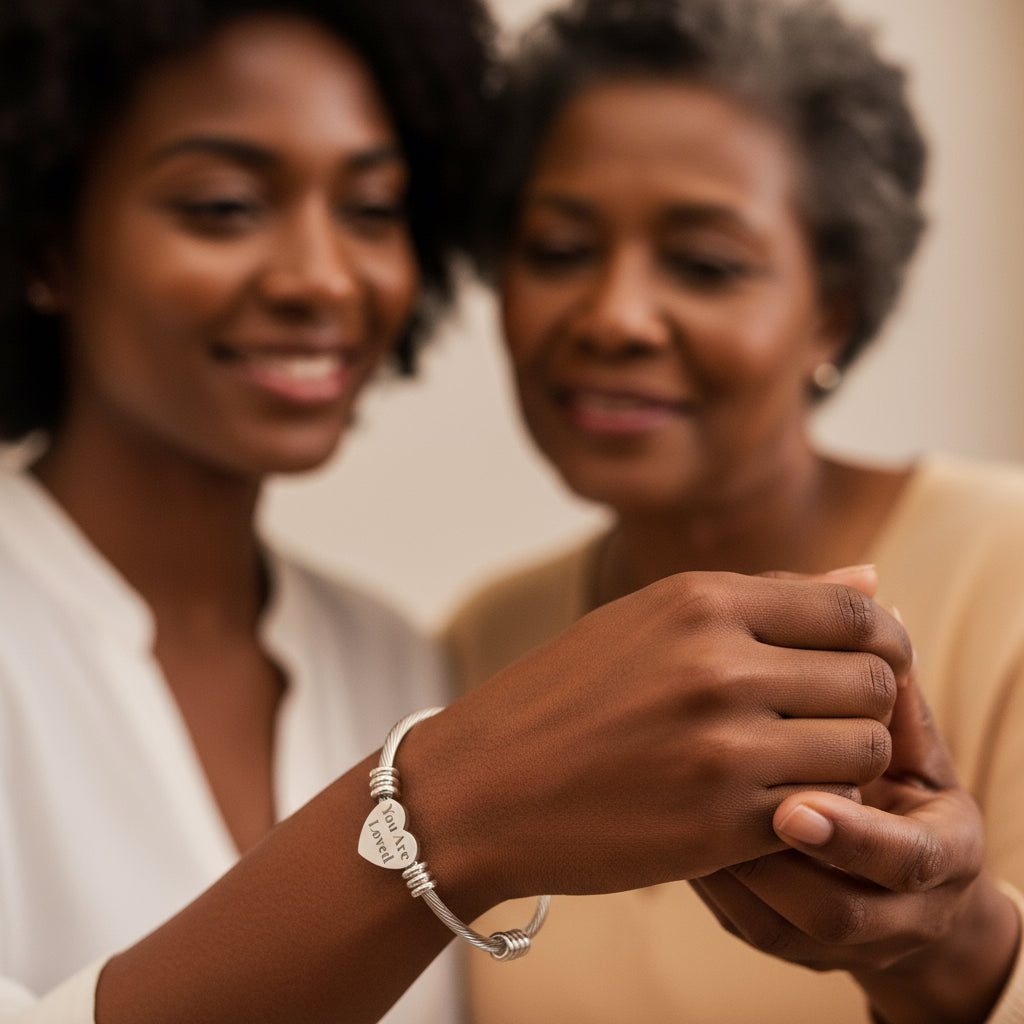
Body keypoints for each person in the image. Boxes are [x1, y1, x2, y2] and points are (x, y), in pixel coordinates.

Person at [0, 1, 917, 1022]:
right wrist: (435, 817)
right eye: (223, 206)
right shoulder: (451, 729)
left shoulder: (400, 662)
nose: (322, 277)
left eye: (371, 209)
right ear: (46, 244)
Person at [445, 0, 1024, 1021]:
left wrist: (960, 954)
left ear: (831, 312)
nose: (615, 317)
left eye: (705, 265)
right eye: (560, 249)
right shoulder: (483, 646)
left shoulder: (1004, 575)